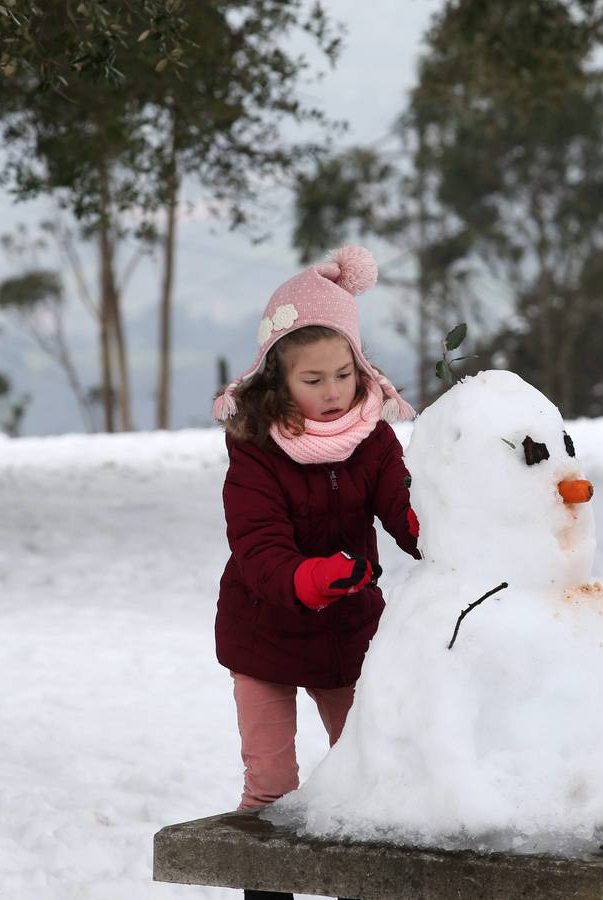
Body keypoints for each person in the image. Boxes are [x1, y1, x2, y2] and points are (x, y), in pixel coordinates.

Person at [212, 245, 420, 900]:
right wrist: (305, 578)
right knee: (271, 789)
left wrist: (445, 537)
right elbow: (256, 541)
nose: (332, 393)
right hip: (264, 635)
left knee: (365, 775)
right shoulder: (256, 448)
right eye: (312, 380)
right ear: (277, 380)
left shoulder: (375, 439)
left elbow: (403, 512)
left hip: (347, 635)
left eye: (342, 374)